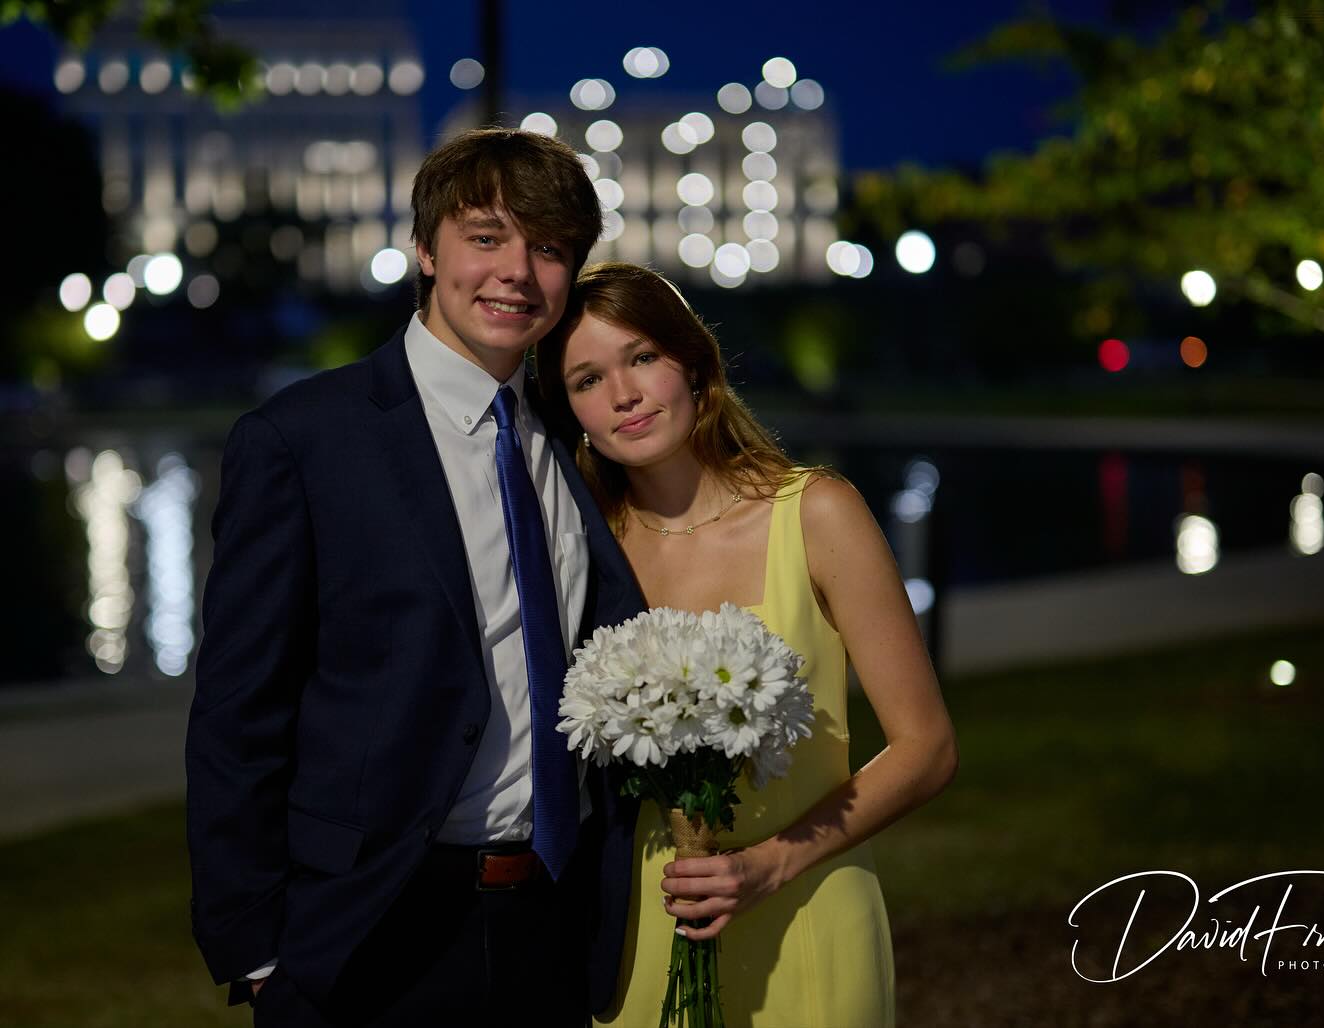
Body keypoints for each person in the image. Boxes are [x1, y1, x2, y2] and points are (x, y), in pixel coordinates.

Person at [186, 130, 646, 1026]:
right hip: (367, 930)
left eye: (548, 248)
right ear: (426, 250)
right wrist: (255, 950)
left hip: (552, 920)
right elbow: (238, 715)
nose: (517, 270)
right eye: (486, 237)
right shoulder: (304, 440)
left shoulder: (571, 434)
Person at [536, 262, 958, 1027]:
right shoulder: (579, 551)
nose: (623, 395)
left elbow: (926, 748)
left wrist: (773, 862)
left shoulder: (817, 514)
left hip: (808, 906)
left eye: (640, 358)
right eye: (587, 379)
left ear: (693, 363)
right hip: (643, 930)